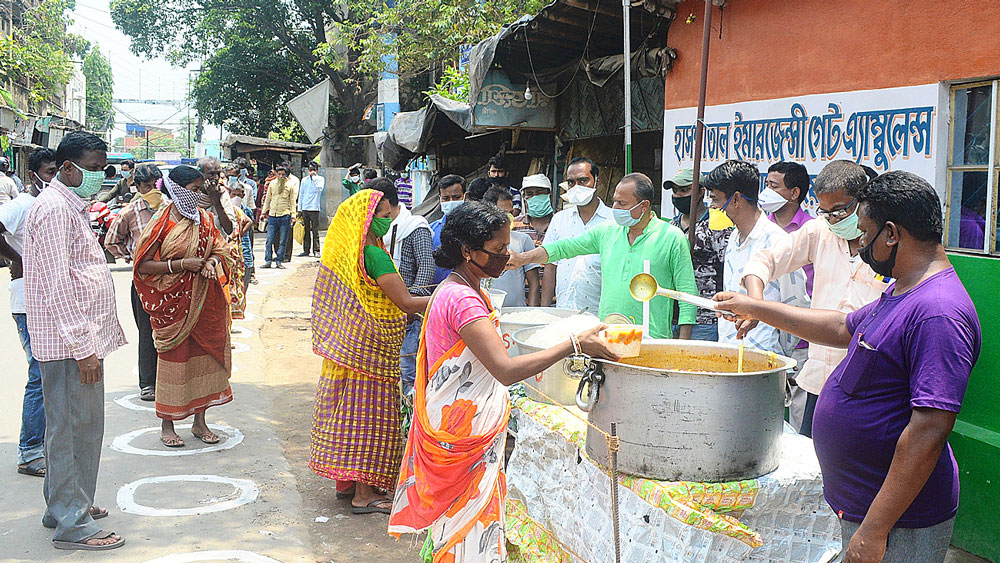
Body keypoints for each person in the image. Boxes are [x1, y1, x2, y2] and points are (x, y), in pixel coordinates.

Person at [715, 171, 981, 563]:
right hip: (868, 508)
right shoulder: (902, 291)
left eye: (866, 234)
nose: (858, 248)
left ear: (891, 234)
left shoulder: (937, 312)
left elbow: (929, 430)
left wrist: (874, 530)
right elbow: (842, 326)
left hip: (898, 523)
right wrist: (756, 307)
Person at [388, 201, 618, 560]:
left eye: (507, 246)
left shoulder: (457, 288)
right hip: (462, 430)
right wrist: (574, 344)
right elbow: (506, 370)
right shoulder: (463, 300)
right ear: (467, 251)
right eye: (498, 250)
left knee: (457, 522)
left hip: (454, 422)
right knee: (467, 525)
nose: (506, 256)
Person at [23, 131, 126, 550]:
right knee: (71, 429)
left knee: (77, 427)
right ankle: (73, 524)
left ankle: (66, 503)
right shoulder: (52, 210)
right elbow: (56, 286)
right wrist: (84, 347)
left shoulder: (69, 206)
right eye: (94, 169)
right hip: (69, 345)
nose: (99, 177)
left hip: (78, 341)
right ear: (68, 168)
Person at [741, 161, 889, 435]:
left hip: (871, 387)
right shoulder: (819, 231)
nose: (832, 219)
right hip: (821, 380)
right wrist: (755, 304)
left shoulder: (888, 243)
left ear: (864, 201)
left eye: (840, 212)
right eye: (826, 212)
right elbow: (765, 260)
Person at [310, 188, 429, 515]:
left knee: (352, 416)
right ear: (365, 219)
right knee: (370, 418)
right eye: (382, 216)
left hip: (349, 345)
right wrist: (451, 297)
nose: (387, 221)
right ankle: (364, 495)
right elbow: (404, 302)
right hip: (370, 351)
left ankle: (351, 484)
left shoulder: (354, 251)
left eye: (389, 215)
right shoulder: (373, 255)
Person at [508, 173, 698, 339]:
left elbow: (687, 295)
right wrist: (524, 258)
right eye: (614, 201)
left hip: (652, 339)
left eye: (622, 203)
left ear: (644, 206)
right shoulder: (608, 231)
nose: (615, 207)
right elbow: (563, 248)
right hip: (608, 336)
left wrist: (681, 345)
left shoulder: (672, 237)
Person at [133, 165, 235, 449]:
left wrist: (212, 263)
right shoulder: (161, 221)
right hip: (172, 305)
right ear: (177, 190)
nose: (199, 195)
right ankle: (168, 423)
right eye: (194, 190)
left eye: (201, 190)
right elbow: (142, 265)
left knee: (203, 358)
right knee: (174, 362)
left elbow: (220, 248)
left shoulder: (204, 218)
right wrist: (180, 265)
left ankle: (200, 422)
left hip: (204, 300)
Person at [705, 160, 809, 354]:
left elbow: (797, 304)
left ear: (736, 199)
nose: (712, 206)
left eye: (715, 200)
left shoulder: (778, 241)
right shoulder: (734, 237)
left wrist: (780, 354)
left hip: (764, 359)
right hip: (729, 351)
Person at [0, 148, 55, 479]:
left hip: (49, 300)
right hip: (26, 302)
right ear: (34, 173)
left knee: (50, 374)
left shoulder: (54, 205)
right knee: (38, 376)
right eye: (48, 172)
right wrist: (16, 259)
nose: (52, 178)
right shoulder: (22, 204)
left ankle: (43, 444)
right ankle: (30, 451)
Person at [104, 163, 168, 401]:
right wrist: (131, 256)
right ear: (139, 187)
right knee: (147, 330)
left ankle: (168, 377)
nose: (153, 190)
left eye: (156, 186)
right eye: (148, 186)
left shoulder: (170, 208)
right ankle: (148, 382)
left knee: (170, 328)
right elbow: (111, 241)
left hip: (171, 278)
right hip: (143, 280)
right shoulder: (130, 212)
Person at [372, 178, 435, 397]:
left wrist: (410, 305)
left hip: (409, 316)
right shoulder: (374, 232)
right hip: (383, 317)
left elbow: (426, 267)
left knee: (409, 371)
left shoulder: (415, 226)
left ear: (386, 203)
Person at [665, 168, 729, 341]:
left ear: (701, 191)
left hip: (706, 317)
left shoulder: (717, 222)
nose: (678, 195)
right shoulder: (672, 226)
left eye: (684, 190)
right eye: (675, 191)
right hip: (674, 315)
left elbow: (728, 266)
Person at [542, 157, 612, 311]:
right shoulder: (560, 219)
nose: (576, 187)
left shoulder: (613, 221)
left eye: (583, 180)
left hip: (600, 314)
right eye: (571, 182)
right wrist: (544, 310)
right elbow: (550, 267)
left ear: (597, 181)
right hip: (563, 311)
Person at [484, 186, 541, 307]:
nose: (508, 218)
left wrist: (530, 314)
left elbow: (534, 284)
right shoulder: (477, 243)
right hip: (485, 314)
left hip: (516, 314)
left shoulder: (523, 240)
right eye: (503, 213)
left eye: (510, 213)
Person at [429, 174, 467, 284]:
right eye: (446, 198)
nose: (451, 201)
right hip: (437, 293)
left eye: (456, 197)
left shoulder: (473, 230)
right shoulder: (431, 230)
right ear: (439, 199)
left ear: (465, 197)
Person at [261, 165, 298, 269]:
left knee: (283, 241)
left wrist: (293, 215)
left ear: (286, 175)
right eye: (279, 174)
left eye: (283, 174)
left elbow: (292, 202)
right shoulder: (272, 184)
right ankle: (268, 261)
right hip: (273, 215)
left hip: (285, 215)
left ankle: (279, 261)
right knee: (269, 240)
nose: (281, 176)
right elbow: (268, 199)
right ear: (276, 174)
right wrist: (264, 212)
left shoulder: (290, 186)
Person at [195, 157, 236, 236]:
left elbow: (229, 229)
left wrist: (216, 201)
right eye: (211, 174)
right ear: (200, 175)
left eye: (218, 173)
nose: (216, 178)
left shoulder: (222, 193)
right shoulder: (192, 193)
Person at [513, 173, 554, 245]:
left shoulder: (560, 223)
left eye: (539, 193)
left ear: (550, 197)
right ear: (525, 198)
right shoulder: (514, 224)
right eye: (529, 194)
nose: (534, 197)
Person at [229, 184, 256, 291]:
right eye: (233, 194)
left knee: (243, 285)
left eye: (239, 195)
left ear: (243, 196)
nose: (236, 197)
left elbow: (251, 231)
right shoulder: (225, 210)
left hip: (245, 250)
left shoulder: (246, 211)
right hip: (231, 252)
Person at [298, 161, 324, 257]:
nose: (311, 171)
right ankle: (306, 250)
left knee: (315, 230)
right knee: (306, 230)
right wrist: (299, 208)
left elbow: (319, 189)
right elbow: (301, 194)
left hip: (314, 208)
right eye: (310, 170)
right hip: (305, 207)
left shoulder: (320, 179)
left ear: (317, 170)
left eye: (313, 169)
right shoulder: (304, 180)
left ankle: (316, 250)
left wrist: (314, 178)